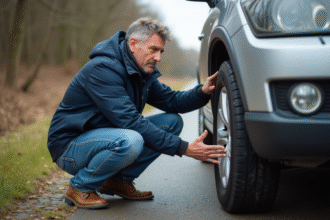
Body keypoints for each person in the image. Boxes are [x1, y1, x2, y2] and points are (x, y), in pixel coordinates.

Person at [47, 17, 226, 209]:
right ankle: (79, 187)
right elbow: (130, 121)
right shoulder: (103, 69)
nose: (158, 57)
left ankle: (119, 181)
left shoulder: (141, 72)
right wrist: (184, 148)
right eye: (153, 49)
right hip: (70, 147)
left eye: (161, 51)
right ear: (133, 44)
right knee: (131, 140)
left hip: (105, 138)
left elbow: (172, 101)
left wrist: (202, 91)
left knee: (172, 122)